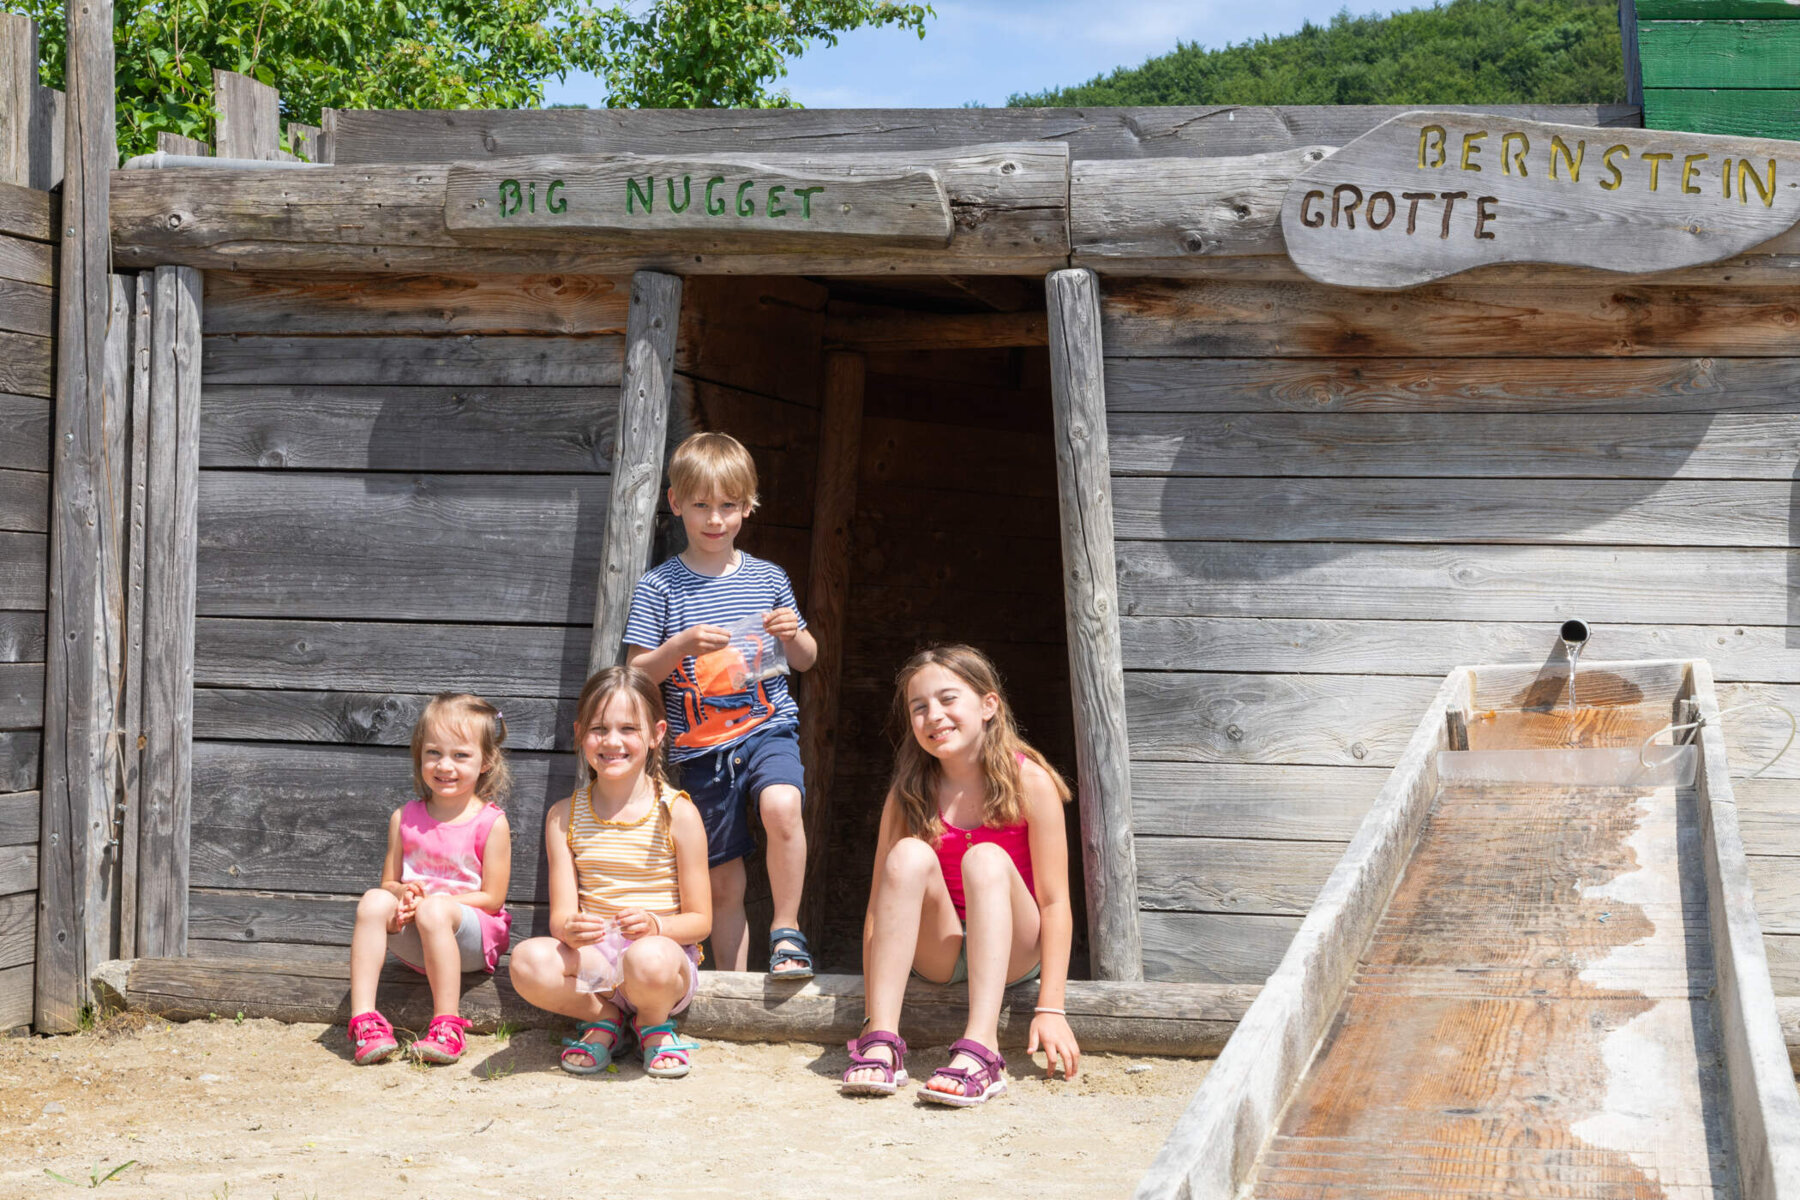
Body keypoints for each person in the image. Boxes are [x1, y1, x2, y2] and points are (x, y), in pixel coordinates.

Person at [842, 645, 1082, 1106]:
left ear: (988, 705)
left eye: (948, 699)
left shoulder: (1031, 782)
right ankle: (883, 1044)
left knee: (986, 858)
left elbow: (1054, 903)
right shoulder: (908, 792)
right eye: (920, 707)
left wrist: (1050, 1007)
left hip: (1014, 950)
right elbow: (878, 909)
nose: (934, 715)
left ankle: (982, 1051)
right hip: (941, 951)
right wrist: (871, 1018)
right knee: (908, 855)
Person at [624, 431, 819, 978]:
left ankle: (787, 933)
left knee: (782, 805)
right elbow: (636, 674)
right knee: (723, 881)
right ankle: (728, 988)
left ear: (748, 506)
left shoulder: (769, 577)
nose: (715, 519)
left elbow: (805, 658)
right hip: (698, 749)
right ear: (675, 503)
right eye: (702, 506)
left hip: (767, 727)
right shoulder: (659, 587)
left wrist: (793, 634)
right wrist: (680, 646)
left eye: (728, 506)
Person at [508, 666, 713, 1078]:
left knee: (647, 958)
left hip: (660, 962)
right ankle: (604, 1019)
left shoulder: (679, 813)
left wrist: (655, 925)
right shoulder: (563, 816)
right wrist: (571, 929)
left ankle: (654, 1025)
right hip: (596, 963)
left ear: (656, 734)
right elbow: (562, 917)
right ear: (580, 733)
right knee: (527, 961)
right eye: (599, 729)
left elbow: (701, 921)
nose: (612, 741)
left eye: (628, 729)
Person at [346, 694, 513, 1066]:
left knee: (436, 910)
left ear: (485, 761)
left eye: (460, 755)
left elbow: (492, 898)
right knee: (373, 900)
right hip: (417, 936)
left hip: (471, 940)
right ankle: (365, 1021)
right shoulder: (404, 817)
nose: (444, 765)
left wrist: (436, 904)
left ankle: (447, 1026)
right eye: (434, 752)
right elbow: (389, 882)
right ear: (419, 755)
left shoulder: (490, 822)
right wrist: (404, 893)